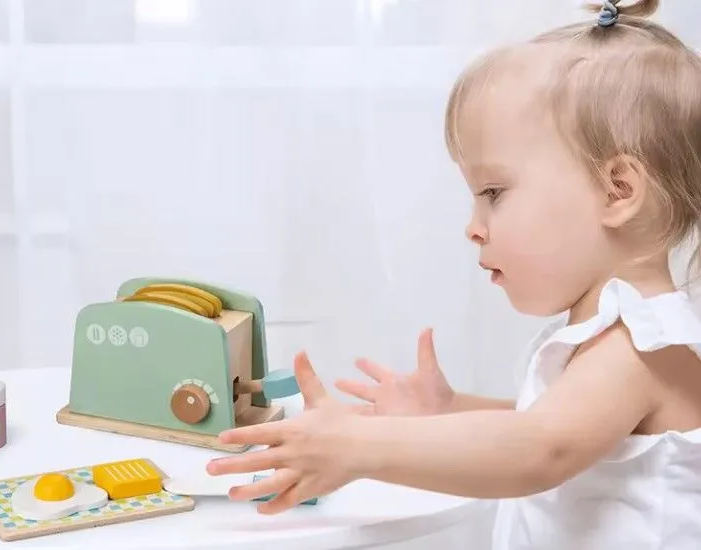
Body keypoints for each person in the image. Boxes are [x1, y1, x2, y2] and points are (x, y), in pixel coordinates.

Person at [207, 0, 701, 547]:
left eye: (493, 193)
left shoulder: (642, 345)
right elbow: (560, 427)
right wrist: (447, 411)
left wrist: (359, 447)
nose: (474, 227)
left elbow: (540, 447)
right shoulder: (609, 340)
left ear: (618, 191)